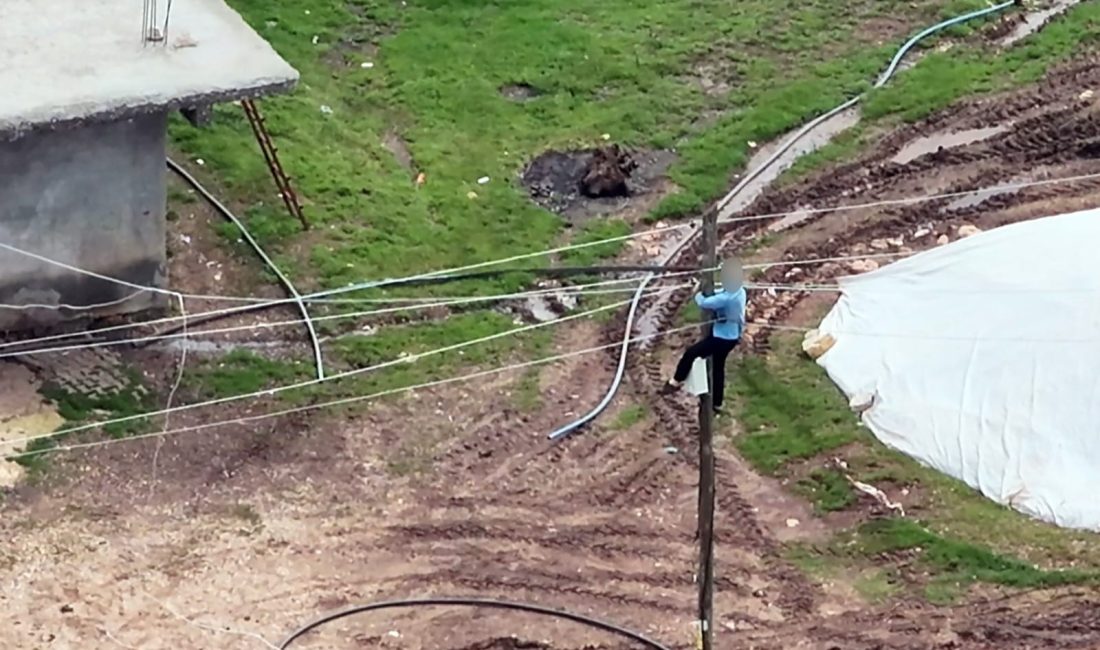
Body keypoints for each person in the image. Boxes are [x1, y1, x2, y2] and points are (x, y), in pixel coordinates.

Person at [660, 259, 747, 414]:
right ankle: (717, 402)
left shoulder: (726, 298)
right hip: (732, 336)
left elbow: (704, 302)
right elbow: (719, 294)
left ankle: (676, 381)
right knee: (718, 368)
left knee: (691, 353)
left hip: (721, 338)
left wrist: (697, 292)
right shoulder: (739, 291)